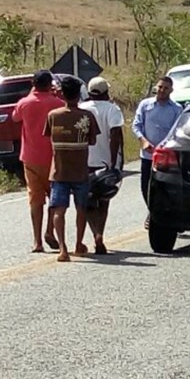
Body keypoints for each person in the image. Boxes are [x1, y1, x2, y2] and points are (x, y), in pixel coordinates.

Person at [44, 76, 100, 262]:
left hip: (59, 171)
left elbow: (47, 137)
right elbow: (92, 140)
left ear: (62, 94)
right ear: (79, 95)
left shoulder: (53, 115)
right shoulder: (87, 116)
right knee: (81, 209)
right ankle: (78, 243)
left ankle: (62, 249)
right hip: (80, 172)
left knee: (59, 210)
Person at [11, 69, 65, 253]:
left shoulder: (24, 103)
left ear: (33, 84)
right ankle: (50, 230)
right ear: (50, 84)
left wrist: (30, 94)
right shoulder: (58, 103)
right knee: (55, 198)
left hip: (31, 157)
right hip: (53, 157)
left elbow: (14, 117)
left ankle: (37, 241)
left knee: (35, 199)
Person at [78, 77, 124, 255]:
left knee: (88, 202)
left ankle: (95, 232)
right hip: (105, 162)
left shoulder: (81, 109)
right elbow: (115, 137)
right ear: (106, 92)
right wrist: (114, 162)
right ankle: (100, 235)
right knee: (104, 201)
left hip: (85, 162)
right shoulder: (113, 110)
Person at [132, 76, 183, 228]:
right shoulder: (145, 105)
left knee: (164, 188)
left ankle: (160, 216)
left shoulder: (176, 109)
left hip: (166, 157)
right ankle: (153, 212)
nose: (162, 90)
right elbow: (136, 126)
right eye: (160, 87)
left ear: (171, 90)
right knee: (145, 187)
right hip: (148, 155)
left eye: (166, 88)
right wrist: (143, 141)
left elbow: (178, 131)